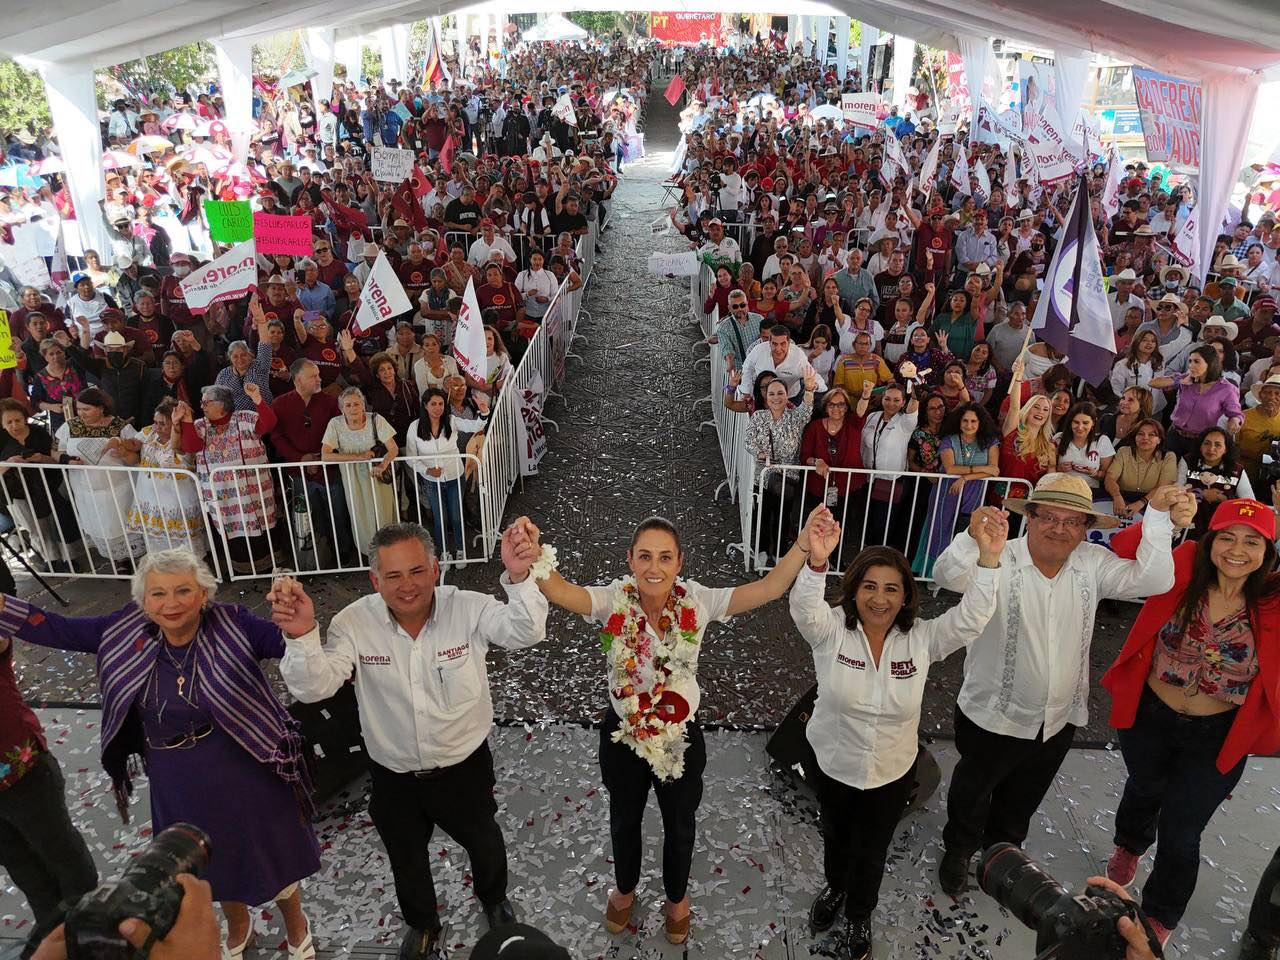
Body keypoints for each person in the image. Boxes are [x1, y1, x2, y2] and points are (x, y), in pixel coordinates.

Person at [524, 506, 828, 945]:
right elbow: (562, 591)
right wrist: (533, 555)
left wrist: (804, 546)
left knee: (680, 824)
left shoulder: (698, 601)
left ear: (679, 563)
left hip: (680, 737)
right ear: (630, 559)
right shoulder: (613, 600)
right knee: (623, 820)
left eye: (665, 557)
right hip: (623, 735)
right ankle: (625, 889)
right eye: (645, 556)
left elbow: (768, 587)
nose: (654, 567)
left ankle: (677, 898)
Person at [0, 550, 321, 960]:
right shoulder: (123, 630)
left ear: (204, 594)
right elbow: (57, 629)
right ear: (143, 601)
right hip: (176, 774)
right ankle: (239, 924)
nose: (171, 603)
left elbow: (289, 644)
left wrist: (298, 625)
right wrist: (2, 606)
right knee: (207, 859)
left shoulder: (235, 623)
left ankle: (296, 927)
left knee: (270, 851)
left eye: (184, 590)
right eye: (158, 594)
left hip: (245, 761)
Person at [272, 520, 546, 960]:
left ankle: (494, 900)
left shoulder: (469, 608)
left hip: (464, 766)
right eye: (393, 576)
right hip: (393, 773)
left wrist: (518, 577)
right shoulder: (353, 623)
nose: (407, 586)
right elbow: (315, 686)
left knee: (484, 841)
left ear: (435, 568)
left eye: (417, 571)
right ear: (374, 579)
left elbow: (525, 631)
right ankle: (422, 923)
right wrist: (303, 634)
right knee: (406, 856)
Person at [932, 476, 1193, 895]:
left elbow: (1156, 580)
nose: (1059, 528)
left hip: (1059, 716)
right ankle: (959, 850)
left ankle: (1002, 856)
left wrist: (1158, 518)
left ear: (1084, 527)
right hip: (992, 713)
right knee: (973, 791)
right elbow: (947, 575)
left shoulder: (1092, 562)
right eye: (1049, 517)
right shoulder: (999, 555)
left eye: (1072, 522)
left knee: (1023, 798)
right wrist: (970, 537)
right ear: (1029, 518)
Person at [791, 515, 1007, 960]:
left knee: (872, 850)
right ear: (853, 590)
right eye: (869, 586)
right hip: (833, 764)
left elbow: (971, 619)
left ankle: (859, 915)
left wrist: (988, 560)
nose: (879, 598)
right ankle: (835, 889)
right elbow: (803, 610)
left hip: (891, 772)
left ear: (906, 595)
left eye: (891, 588)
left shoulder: (923, 639)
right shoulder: (830, 629)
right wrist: (815, 563)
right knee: (835, 837)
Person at [1101, 499, 1280, 946]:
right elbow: (1126, 546)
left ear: (1269, 551)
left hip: (1217, 735)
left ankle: (1160, 913)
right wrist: (1162, 514)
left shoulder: (1274, 599)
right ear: (1208, 542)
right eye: (1227, 537)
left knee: (1182, 831)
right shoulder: (1182, 566)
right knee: (1144, 787)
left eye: (1252, 541)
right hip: (1150, 716)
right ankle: (1129, 843)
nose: (1237, 550)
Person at [175, 384, 279, 576]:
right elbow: (191, 446)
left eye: (207, 402)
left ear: (222, 404)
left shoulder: (246, 417)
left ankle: (266, 568)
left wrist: (257, 398)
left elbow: (269, 423)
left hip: (252, 490)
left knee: (259, 525)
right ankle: (237, 570)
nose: (203, 406)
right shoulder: (199, 425)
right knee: (229, 528)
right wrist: (188, 420)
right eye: (202, 402)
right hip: (221, 493)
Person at [53, 387, 142, 563]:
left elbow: (136, 457)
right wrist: (66, 459)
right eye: (79, 409)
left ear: (101, 408)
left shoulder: (120, 427)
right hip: (85, 491)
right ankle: (114, 559)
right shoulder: (69, 426)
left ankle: (130, 559)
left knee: (122, 524)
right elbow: (55, 451)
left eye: (87, 409)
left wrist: (124, 453)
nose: (81, 413)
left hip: (119, 490)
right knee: (99, 524)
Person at [912, 402, 1000, 578]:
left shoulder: (990, 442)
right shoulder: (949, 441)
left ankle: (959, 576)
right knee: (939, 530)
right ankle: (933, 573)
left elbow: (995, 470)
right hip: (947, 492)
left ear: (980, 422)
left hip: (974, 492)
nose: (969, 425)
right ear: (959, 422)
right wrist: (981, 470)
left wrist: (965, 477)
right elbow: (950, 469)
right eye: (965, 421)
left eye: (973, 421)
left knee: (967, 533)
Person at [746, 368, 817, 562]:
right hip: (763, 475)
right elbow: (748, 440)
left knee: (783, 517)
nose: (776, 397)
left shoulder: (795, 417)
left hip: (787, 477)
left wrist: (809, 389)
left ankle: (779, 553)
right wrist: (759, 453)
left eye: (780, 393)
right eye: (771, 393)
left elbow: (807, 409)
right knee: (762, 515)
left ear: (787, 396)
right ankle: (760, 551)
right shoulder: (758, 416)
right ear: (765, 397)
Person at [321, 387, 398, 557]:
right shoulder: (335, 424)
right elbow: (325, 455)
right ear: (341, 409)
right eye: (347, 405)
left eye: (356, 404)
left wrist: (383, 465)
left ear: (363, 405)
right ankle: (371, 555)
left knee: (383, 513)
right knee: (361, 517)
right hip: (353, 479)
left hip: (377, 476)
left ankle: (389, 554)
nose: (352, 408)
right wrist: (358, 456)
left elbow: (393, 449)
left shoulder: (376, 420)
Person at [126, 398, 207, 557]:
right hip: (150, 498)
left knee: (184, 548)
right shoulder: (149, 432)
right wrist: (117, 441)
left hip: (177, 500)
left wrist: (176, 427)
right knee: (156, 546)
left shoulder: (186, 437)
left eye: (162, 423)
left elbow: (180, 452)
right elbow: (134, 444)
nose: (156, 427)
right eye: (155, 422)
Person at [1150, 346, 1244, 459]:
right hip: (1174, 434)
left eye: (1196, 362)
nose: (1191, 365)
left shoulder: (1226, 388)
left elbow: (1235, 413)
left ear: (1210, 363)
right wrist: (1179, 381)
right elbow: (1153, 383)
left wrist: (1234, 420)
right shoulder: (1186, 378)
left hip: (1200, 441)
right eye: (1190, 361)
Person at [406, 388, 467, 561]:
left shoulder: (451, 420)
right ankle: (444, 552)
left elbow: (473, 425)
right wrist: (427, 470)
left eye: (441, 404)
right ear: (425, 405)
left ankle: (461, 550)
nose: (438, 407)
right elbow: (411, 457)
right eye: (433, 404)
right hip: (432, 480)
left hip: (455, 475)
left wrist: (484, 412)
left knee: (456, 516)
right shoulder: (415, 427)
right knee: (440, 518)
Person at [1178, 427, 1256, 537]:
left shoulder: (1237, 470)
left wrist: (1225, 500)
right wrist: (1201, 493)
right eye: (1207, 443)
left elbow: (1250, 503)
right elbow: (1176, 491)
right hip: (1189, 522)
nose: (1211, 449)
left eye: (1218, 445)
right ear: (1200, 446)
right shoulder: (1188, 461)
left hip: (1224, 525)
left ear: (1226, 449)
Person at [1104, 419, 1179, 519]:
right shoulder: (1124, 452)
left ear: (1159, 440)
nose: (1145, 438)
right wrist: (1116, 496)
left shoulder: (1168, 457)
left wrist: (1141, 503)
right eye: (1140, 434)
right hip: (1121, 502)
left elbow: (1163, 487)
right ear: (1135, 437)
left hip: (1153, 505)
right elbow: (1110, 478)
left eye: (1151, 435)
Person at [1053, 401, 1115, 496]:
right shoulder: (1059, 438)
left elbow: (1108, 475)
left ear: (1093, 422)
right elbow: (1049, 469)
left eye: (1085, 423)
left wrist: (1094, 473)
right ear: (1070, 422)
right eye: (1076, 422)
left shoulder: (1102, 441)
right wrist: (1059, 469)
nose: (1080, 427)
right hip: (1061, 489)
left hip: (1090, 492)